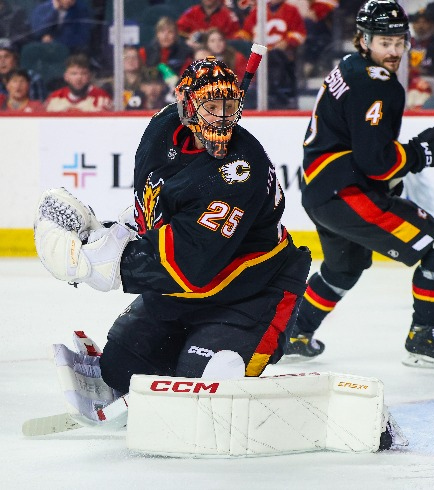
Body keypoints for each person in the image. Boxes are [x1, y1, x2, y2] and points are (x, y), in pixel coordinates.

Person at [33, 57, 312, 423]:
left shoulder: (239, 172)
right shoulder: (163, 127)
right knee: (119, 371)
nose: (222, 118)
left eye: (229, 106)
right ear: (185, 104)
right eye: (211, 107)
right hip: (189, 291)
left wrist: (94, 264)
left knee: (202, 390)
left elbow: (187, 267)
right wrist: (100, 232)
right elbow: (153, 209)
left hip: (251, 293)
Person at [285, 0, 434, 369]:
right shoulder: (378, 84)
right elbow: (376, 161)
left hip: (321, 190)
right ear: (363, 39)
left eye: (400, 42)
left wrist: (415, 152)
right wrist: (422, 154)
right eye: (385, 42)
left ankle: (293, 333)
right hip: (345, 193)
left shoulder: (351, 67)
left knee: (343, 267)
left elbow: (365, 148)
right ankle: (423, 337)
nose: (394, 51)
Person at [44, 54, 112, 112]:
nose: (79, 78)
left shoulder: (101, 97)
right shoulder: (55, 97)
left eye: (83, 73)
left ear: (89, 76)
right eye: (74, 74)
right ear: (66, 77)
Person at [176, 0, 242, 50]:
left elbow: (236, 39)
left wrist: (219, 41)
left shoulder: (228, 15)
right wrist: (189, 38)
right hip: (193, 50)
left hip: (220, 53)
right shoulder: (191, 12)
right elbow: (178, 30)